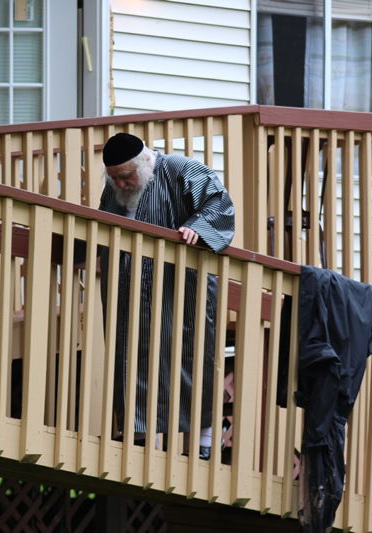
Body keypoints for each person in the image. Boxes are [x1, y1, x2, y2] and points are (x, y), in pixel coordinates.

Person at [98, 132, 234, 458]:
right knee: (133, 359)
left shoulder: (179, 169)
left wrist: (198, 227)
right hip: (131, 290)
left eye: (127, 177)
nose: (122, 185)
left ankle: (203, 442)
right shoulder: (115, 189)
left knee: (191, 356)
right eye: (115, 179)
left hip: (181, 286)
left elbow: (219, 203)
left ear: (145, 162)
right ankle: (143, 439)